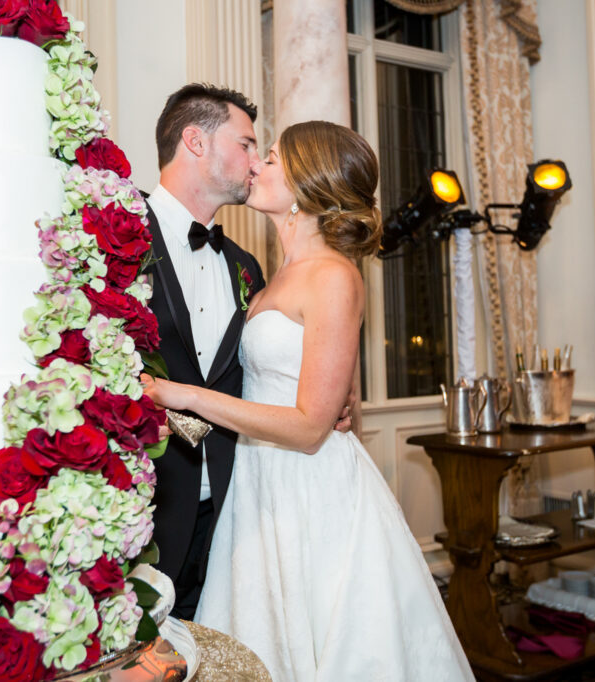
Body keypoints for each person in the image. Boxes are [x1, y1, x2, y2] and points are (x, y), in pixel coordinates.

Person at [143, 121, 474, 681]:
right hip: (257, 482)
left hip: (310, 490)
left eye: (267, 158)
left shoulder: (333, 276)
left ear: (302, 185)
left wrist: (184, 397)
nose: (255, 167)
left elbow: (308, 426)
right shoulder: (265, 276)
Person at [143, 83, 268, 620]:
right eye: (245, 145)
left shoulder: (246, 266)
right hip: (140, 511)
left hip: (226, 512)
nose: (257, 163)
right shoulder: (111, 239)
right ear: (195, 141)